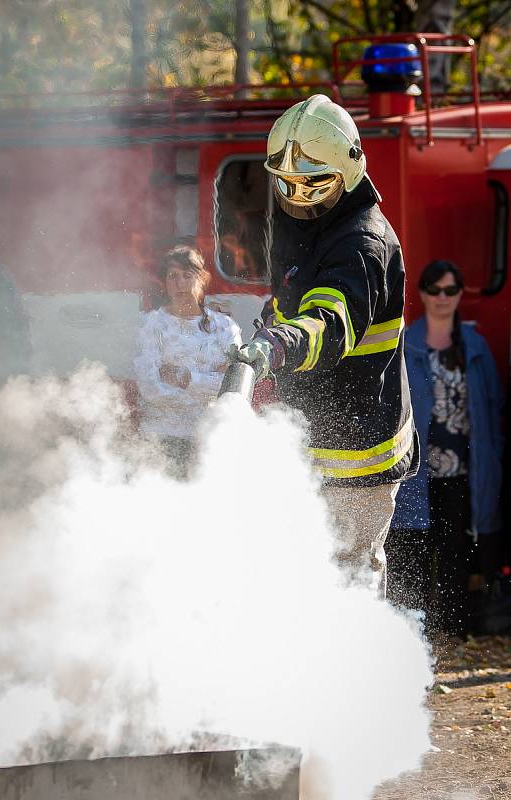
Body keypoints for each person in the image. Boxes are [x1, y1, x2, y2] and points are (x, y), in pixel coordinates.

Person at [233, 94, 418, 596]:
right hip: (314, 437)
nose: (299, 198)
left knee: (349, 579)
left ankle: (359, 674)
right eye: (287, 185)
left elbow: (328, 323)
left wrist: (278, 344)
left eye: (314, 184)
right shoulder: (312, 225)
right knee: (305, 573)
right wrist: (273, 320)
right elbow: (295, 299)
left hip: (359, 452)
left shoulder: (362, 243)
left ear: (350, 169)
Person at [388, 260, 504, 637]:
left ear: (458, 296)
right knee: (415, 549)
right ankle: (417, 633)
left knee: (456, 551)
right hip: (417, 471)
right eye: (435, 290)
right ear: (422, 294)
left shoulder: (474, 347)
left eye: (450, 290)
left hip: (463, 471)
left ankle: (453, 630)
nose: (442, 297)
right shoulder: (408, 344)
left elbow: (492, 404)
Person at [134, 245, 241, 477]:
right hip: (160, 439)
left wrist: (186, 379)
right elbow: (149, 387)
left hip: (211, 438)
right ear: (165, 282)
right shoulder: (152, 326)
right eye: (173, 276)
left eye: (187, 275)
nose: (180, 283)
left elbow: (231, 387)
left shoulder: (224, 328)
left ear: (202, 279)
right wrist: (207, 389)